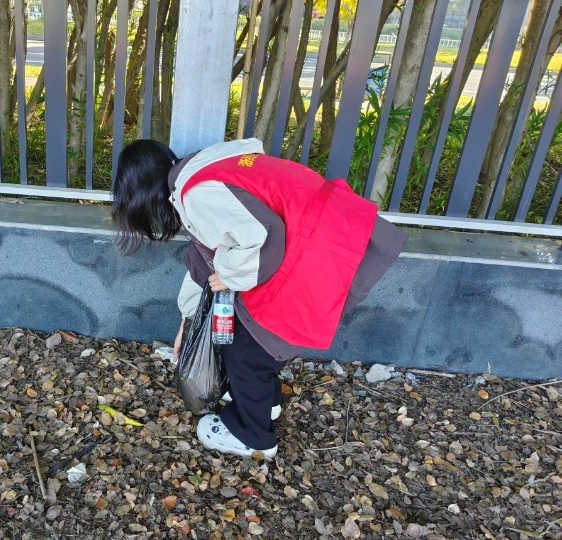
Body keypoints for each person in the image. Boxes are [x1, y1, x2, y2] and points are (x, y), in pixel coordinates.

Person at [111, 137, 407, 460]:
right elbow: (205, 260)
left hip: (317, 249)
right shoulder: (202, 170)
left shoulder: (196, 195)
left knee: (247, 351)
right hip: (328, 234)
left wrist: (228, 274)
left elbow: (264, 239)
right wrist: (188, 320)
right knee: (248, 338)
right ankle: (266, 403)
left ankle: (254, 437)